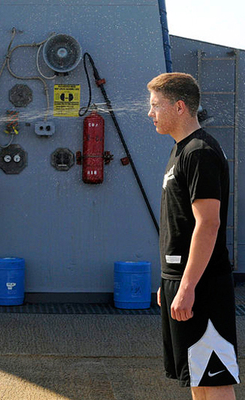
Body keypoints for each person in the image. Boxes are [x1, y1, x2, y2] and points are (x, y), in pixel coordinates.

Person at [148, 72, 239, 399]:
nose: (150, 113)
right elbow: (182, 224)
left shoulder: (200, 151)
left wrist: (187, 286)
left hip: (204, 286)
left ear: (179, 107)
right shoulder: (181, 151)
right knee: (197, 378)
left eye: (156, 105)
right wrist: (171, 280)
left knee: (214, 380)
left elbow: (208, 224)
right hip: (183, 281)